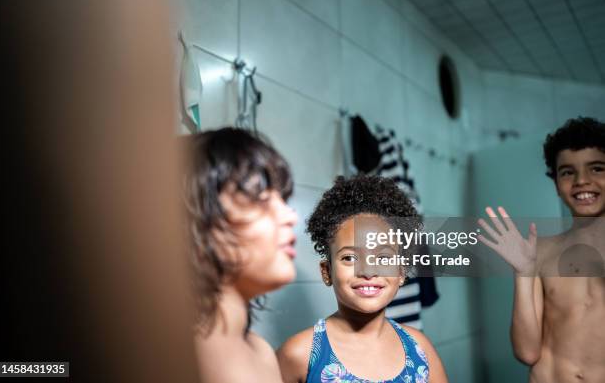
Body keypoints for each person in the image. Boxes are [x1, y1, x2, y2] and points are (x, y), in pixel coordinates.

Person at [277, 175, 448, 383]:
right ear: (327, 271)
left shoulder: (420, 347)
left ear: (402, 272)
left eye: (384, 257)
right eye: (350, 258)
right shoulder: (298, 354)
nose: (368, 271)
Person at [478, 117, 605, 383]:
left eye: (596, 168)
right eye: (567, 172)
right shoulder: (542, 251)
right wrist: (523, 272)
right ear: (556, 183)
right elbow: (526, 352)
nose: (582, 180)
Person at [183, 128, 298, 383]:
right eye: (260, 196)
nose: (290, 216)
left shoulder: (263, 354)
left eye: (282, 198)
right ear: (196, 218)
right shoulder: (162, 357)